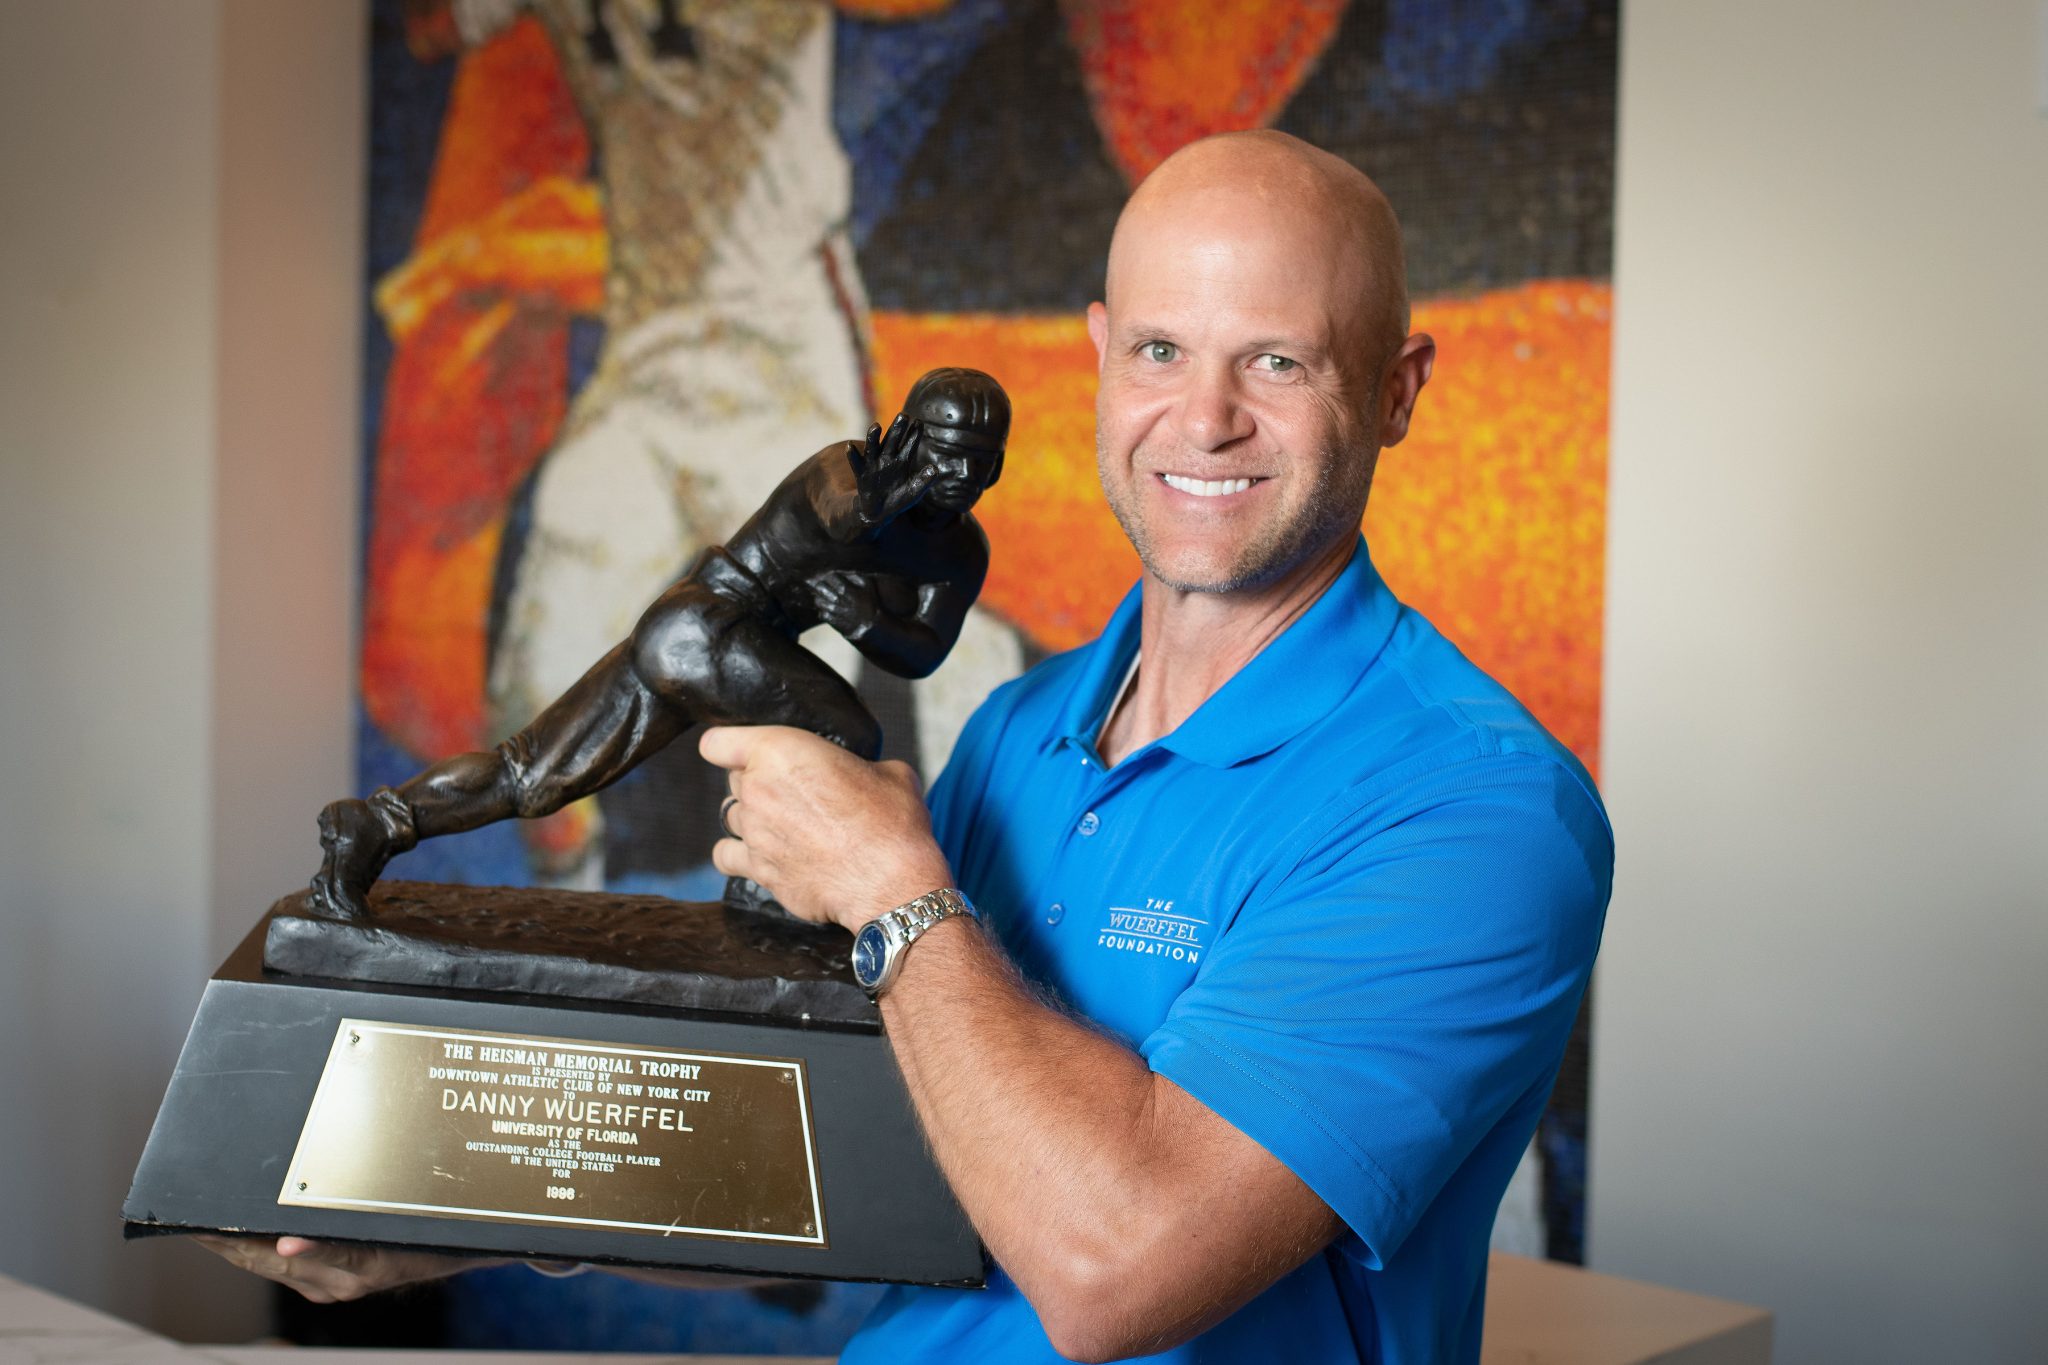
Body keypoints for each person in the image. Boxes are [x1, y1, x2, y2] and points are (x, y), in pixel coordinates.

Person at [207, 131, 1611, 1365]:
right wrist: (467, 1222)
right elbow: (870, 1168)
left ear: (1401, 388)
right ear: (1100, 357)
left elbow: (1120, 1270)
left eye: (1279, 360)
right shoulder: (1018, 730)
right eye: (1163, 351)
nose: (1207, 418)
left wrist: (895, 884)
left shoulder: (1474, 811)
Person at [309, 366, 1009, 920]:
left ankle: (372, 823)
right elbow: (836, 507)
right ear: (909, 439)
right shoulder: (849, 471)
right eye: (944, 457)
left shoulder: (960, 552)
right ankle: (765, 888)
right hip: (702, 625)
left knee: (535, 776)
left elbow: (921, 653)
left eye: (979, 465)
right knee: (846, 729)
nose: (959, 480)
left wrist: (865, 621)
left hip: (696, 636)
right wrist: (874, 505)